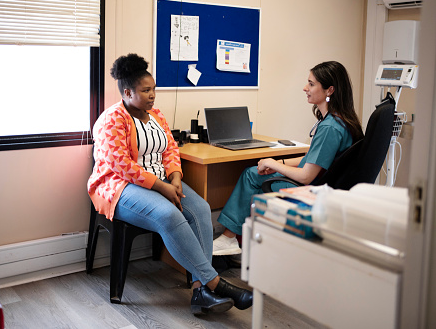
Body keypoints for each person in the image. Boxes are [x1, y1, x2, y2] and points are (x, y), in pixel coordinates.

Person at [87, 53, 252, 315]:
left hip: (163, 181)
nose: (153, 95)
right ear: (128, 93)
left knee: (200, 209)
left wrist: (174, 177)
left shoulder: (156, 115)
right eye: (146, 90)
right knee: (167, 214)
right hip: (121, 188)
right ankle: (215, 283)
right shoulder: (111, 120)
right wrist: (162, 187)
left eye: (154, 89)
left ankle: (200, 290)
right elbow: (122, 166)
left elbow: (170, 149)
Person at [213, 61, 364, 256]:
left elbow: (306, 176)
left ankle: (230, 238)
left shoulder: (329, 128)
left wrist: (274, 164)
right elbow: (313, 159)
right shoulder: (339, 120)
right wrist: (278, 164)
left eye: (311, 84)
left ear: (330, 90)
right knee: (256, 172)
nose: (305, 88)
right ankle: (235, 241)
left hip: (310, 189)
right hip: (323, 184)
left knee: (251, 176)